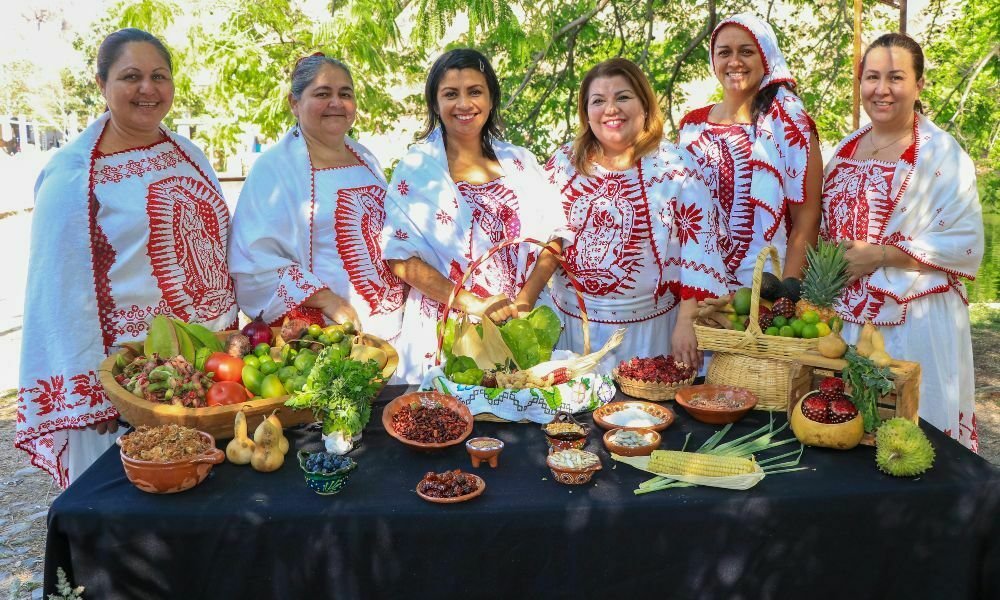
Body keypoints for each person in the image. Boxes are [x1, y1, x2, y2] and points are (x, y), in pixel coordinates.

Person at [16, 29, 239, 487]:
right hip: (128, 386)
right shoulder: (73, 175)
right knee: (135, 515)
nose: (147, 89)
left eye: (159, 76)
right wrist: (92, 390)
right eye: (130, 76)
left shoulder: (188, 154)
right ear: (101, 85)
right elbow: (57, 291)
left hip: (206, 374)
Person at [821, 33, 984, 451]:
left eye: (896, 77)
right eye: (872, 77)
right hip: (848, 321)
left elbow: (965, 241)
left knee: (914, 437)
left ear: (919, 84)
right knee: (847, 434)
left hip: (915, 317)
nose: (882, 89)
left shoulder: (943, 155)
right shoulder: (844, 150)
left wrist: (880, 255)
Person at [383, 49, 568, 383]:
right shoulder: (417, 169)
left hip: (520, 328)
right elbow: (399, 258)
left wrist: (525, 301)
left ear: (491, 97)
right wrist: (475, 305)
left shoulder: (520, 162)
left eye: (474, 91)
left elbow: (555, 236)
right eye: (451, 94)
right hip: (446, 331)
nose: (464, 104)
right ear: (435, 103)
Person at [545, 58, 728, 371]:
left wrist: (687, 323)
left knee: (643, 416)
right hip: (572, 332)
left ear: (645, 106)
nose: (611, 109)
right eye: (598, 100)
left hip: (651, 333)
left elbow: (700, 249)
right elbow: (542, 241)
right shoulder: (563, 164)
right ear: (586, 113)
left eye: (623, 97)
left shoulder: (675, 166)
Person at [229, 54, 404, 348]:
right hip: (326, 334)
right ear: (294, 103)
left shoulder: (365, 157)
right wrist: (327, 300)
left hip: (389, 326)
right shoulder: (275, 168)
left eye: (345, 94)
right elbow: (254, 259)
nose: (336, 103)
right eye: (322, 94)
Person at [678, 13, 821, 288]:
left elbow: (807, 218)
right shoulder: (691, 126)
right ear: (713, 60)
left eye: (746, 51)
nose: (734, 62)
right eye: (724, 52)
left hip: (762, 291)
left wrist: (786, 294)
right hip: (697, 287)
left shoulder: (790, 126)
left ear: (766, 57)